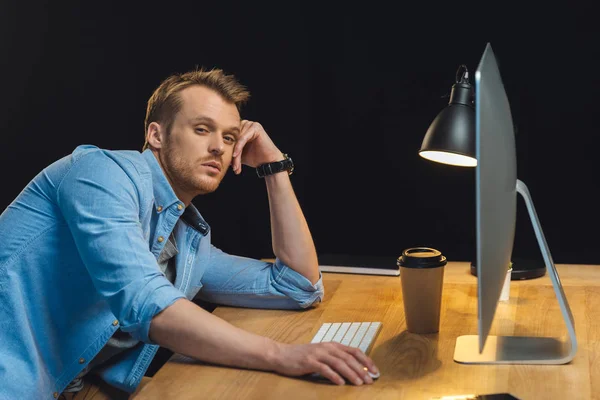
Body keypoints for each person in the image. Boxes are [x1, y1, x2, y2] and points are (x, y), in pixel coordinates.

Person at [0, 68, 379, 399]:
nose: (218, 146)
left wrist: (273, 166)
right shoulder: (101, 173)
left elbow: (298, 285)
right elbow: (145, 301)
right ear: (156, 135)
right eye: (202, 129)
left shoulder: (187, 244)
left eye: (230, 138)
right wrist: (281, 355)